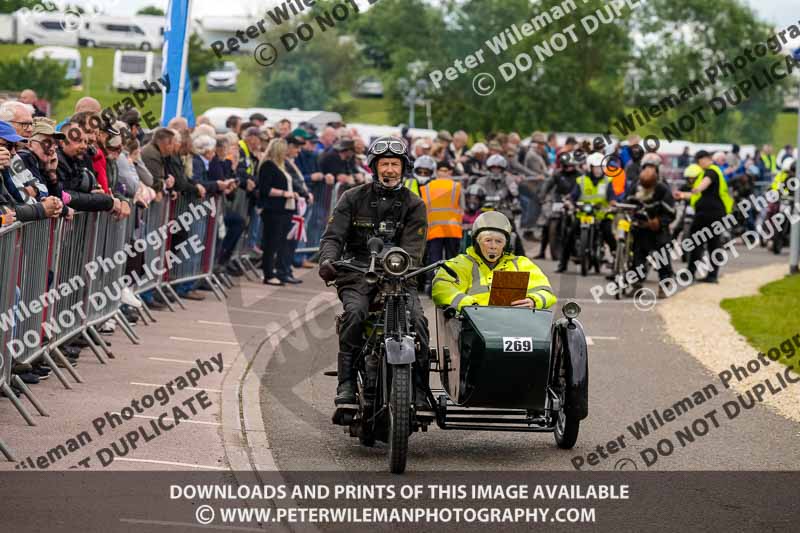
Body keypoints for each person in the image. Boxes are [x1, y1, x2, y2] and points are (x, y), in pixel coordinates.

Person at [318, 136, 430, 412]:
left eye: (394, 164)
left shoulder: (415, 204)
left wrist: (402, 268)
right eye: (384, 164)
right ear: (374, 166)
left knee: (418, 322)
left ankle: (419, 389)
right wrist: (328, 260)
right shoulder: (352, 197)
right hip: (357, 273)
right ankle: (345, 384)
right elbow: (333, 237)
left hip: (399, 276)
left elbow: (414, 250)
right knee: (354, 314)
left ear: (403, 168)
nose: (389, 170)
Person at [432, 211, 556, 311]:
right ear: (477, 242)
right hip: (473, 329)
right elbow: (441, 288)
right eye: (488, 240)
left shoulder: (522, 264)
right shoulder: (459, 264)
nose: (493, 246)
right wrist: (469, 306)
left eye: (498, 241)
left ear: (506, 245)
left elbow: (546, 291)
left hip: (515, 328)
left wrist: (534, 301)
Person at [673, 150, 734, 283]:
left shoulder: (711, 171)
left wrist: (697, 188)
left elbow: (704, 184)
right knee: (712, 244)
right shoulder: (711, 171)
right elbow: (699, 195)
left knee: (697, 243)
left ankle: (691, 273)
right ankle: (711, 275)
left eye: (699, 161)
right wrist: (683, 195)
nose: (699, 164)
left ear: (704, 159)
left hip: (708, 214)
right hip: (714, 213)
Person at [624, 156, 676, 297]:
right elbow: (628, 203)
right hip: (640, 228)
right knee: (637, 258)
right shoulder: (635, 186)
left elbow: (671, 211)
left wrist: (659, 222)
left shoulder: (663, 188)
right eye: (646, 167)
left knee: (662, 257)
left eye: (652, 168)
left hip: (659, 230)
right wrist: (631, 216)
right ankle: (637, 285)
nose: (649, 170)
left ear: (658, 170)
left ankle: (664, 285)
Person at [556, 152, 615, 273]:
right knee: (570, 234)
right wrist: (569, 202)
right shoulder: (581, 180)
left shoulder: (608, 181)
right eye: (596, 167)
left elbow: (611, 198)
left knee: (609, 233)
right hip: (584, 214)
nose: (599, 170)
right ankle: (563, 263)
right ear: (590, 167)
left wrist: (611, 205)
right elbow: (573, 196)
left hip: (601, 215)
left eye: (601, 167)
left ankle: (616, 260)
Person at [257, 138, 301, 286]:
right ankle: (268, 274)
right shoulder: (268, 165)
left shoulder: (281, 166)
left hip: (285, 209)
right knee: (271, 243)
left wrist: (292, 194)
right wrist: (284, 193)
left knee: (280, 242)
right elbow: (265, 189)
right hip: (273, 210)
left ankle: (274, 271)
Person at [421, 159, 462, 292]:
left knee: (434, 258)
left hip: (434, 228)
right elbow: (463, 207)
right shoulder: (457, 186)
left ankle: (431, 284)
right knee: (452, 258)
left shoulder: (426, 187)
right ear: (450, 172)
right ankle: (453, 284)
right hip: (452, 229)